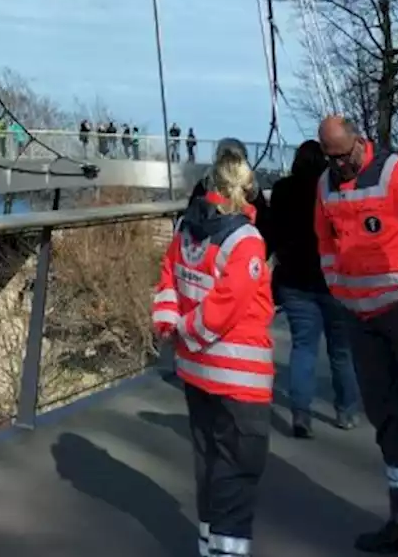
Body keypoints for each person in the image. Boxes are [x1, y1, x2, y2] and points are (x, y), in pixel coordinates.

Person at [317, 114, 398, 553]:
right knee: (388, 421)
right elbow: (325, 241)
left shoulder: (397, 174)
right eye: (330, 158)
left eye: (343, 155)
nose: (339, 166)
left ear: (359, 142)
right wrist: (335, 284)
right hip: (360, 319)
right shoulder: (325, 185)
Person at [152, 145, 274, 557]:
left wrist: (170, 325)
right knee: (238, 469)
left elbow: (168, 278)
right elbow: (226, 307)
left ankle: (208, 541)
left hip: (195, 371)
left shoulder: (186, 230)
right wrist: (189, 330)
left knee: (207, 459)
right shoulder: (245, 240)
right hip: (239, 378)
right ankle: (226, 550)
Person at [265, 140, 360, 436]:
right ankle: (346, 411)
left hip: (294, 280)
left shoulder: (282, 190)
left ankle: (301, 414)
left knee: (303, 347)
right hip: (335, 280)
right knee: (341, 351)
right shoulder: (334, 191)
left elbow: (271, 231)